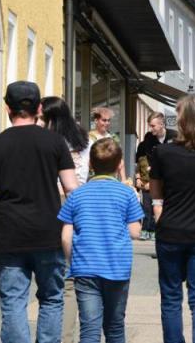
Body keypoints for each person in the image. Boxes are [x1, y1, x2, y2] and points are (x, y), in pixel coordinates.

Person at [0, 81, 78, 343]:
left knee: (14, 301)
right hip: (48, 233)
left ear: (8, 108)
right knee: (51, 298)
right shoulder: (55, 143)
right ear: (39, 109)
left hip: (9, 235)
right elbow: (72, 188)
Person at [148, 94, 195, 343]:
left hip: (171, 231)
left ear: (182, 120)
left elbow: (155, 193)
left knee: (171, 297)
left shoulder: (163, 153)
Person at [59, 139, 143, 343]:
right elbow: (135, 232)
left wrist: (73, 261)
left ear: (90, 164)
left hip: (85, 268)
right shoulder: (127, 193)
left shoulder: (76, 195)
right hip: (117, 268)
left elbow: (65, 236)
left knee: (89, 329)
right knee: (115, 326)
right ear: (120, 164)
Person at [39, 95, 90, 343]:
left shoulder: (47, 141)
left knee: (51, 276)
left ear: (50, 118)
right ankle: (65, 337)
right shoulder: (83, 138)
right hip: (78, 203)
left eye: (41, 116)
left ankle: (53, 334)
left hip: (51, 203)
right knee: (69, 276)